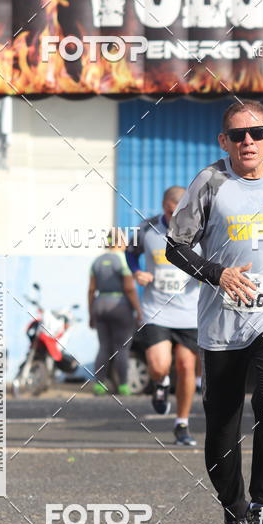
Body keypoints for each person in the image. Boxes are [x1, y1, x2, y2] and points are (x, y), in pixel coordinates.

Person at [165, 99, 263, 524]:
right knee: (223, 426)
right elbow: (175, 247)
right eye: (237, 135)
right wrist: (219, 274)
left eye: (256, 133)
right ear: (223, 141)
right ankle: (234, 514)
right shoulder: (210, 182)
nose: (247, 141)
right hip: (223, 319)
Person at [126, 187, 200, 446]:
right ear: (163, 206)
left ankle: (182, 424)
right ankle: (161, 382)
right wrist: (137, 272)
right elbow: (130, 253)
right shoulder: (147, 228)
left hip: (190, 312)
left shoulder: (200, 227)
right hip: (157, 309)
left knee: (186, 366)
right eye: (171, 211)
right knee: (158, 365)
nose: (175, 216)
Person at [88, 233, 142, 396]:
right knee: (122, 348)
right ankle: (124, 386)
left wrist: (91, 313)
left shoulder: (96, 261)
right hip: (120, 306)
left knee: (104, 346)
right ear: (120, 242)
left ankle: (99, 385)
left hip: (100, 304)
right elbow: (130, 289)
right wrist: (138, 310)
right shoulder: (123, 260)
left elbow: (91, 290)